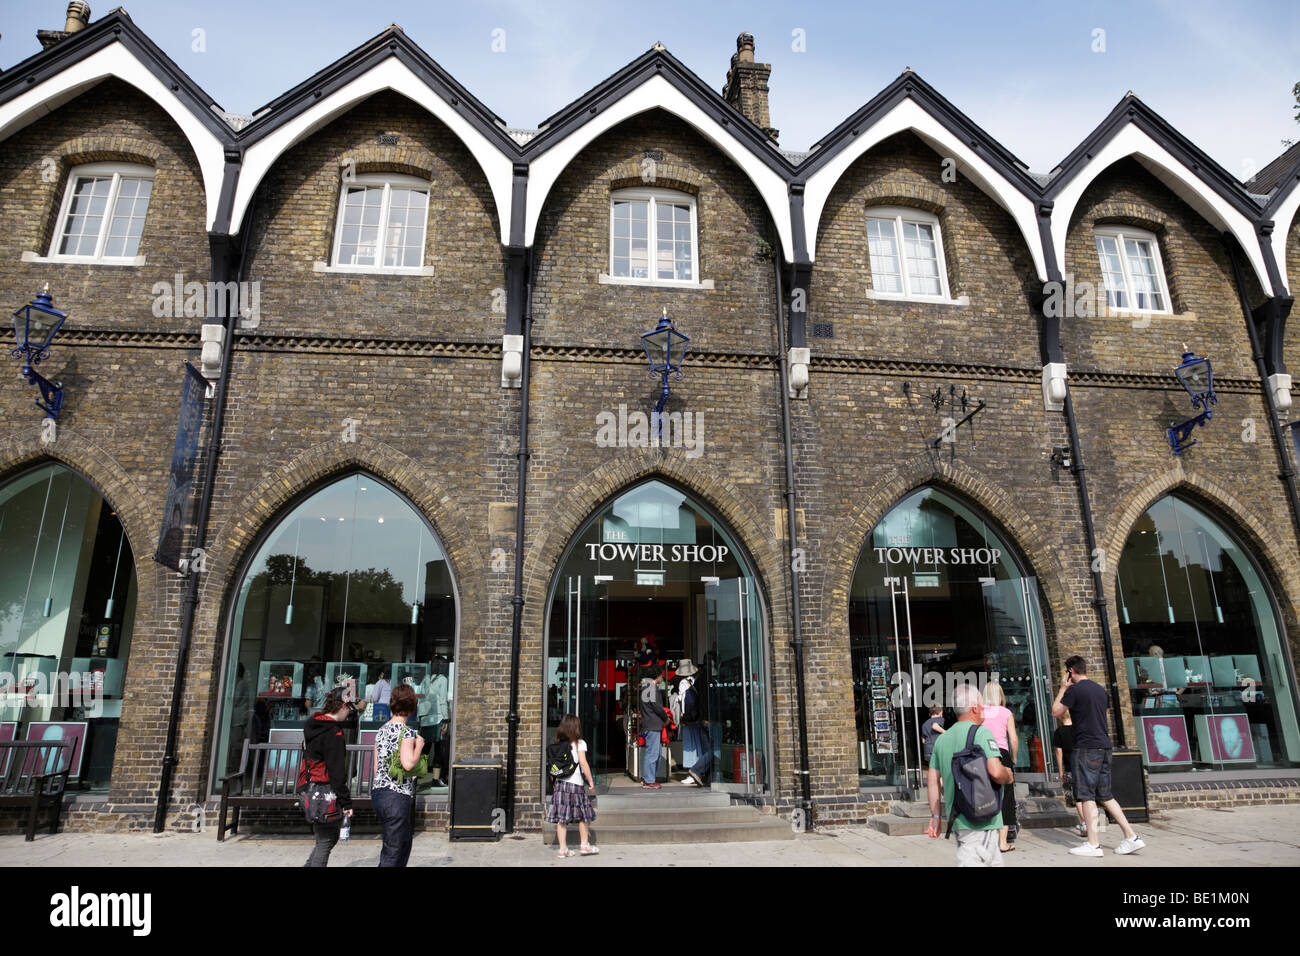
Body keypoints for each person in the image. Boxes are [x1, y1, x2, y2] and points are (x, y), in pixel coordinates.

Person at [1051, 655, 1146, 857]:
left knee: (1086, 795)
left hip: (1086, 747)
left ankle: (1093, 844)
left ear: (1070, 672)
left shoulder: (1074, 690)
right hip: (1104, 745)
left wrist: (1062, 688)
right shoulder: (1099, 690)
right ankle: (1131, 836)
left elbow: (1055, 711)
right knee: (1106, 795)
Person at [925, 683, 1014, 867]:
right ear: (974, 708)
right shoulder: (982, 733)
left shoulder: (942, 740)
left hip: (959, 817)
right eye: (982, 705)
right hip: (983, 819)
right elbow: (996, 772)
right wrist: (1008, 774)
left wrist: (935, 816)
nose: (984, 710)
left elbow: (933, 781)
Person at [371, 683, 424, 867]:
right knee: (393, 852)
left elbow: (377, 766)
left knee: (402, 843)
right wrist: (420, 746)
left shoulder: (381, 730)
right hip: (396, 795)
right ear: (411, 707)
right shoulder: (407, 732)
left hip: (379, 793)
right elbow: (408, 764)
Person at [302, 690, 355, 867]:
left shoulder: (314, 725)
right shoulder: (333, 733)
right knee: (325, 840)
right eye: (349, 708)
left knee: (324, 839)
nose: (349, 713)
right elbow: (336, 772)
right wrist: (346, 802)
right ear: (342, 706)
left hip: (310, 788)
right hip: (325, 791)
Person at [547, 713, 598, 857]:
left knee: (562, 819)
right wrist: (590, 781)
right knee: (583, 816)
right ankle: (584, 845)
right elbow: (583, 763)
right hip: (575, 784)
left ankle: (563, 849)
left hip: (561, 784)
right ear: (575, 728)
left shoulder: (557, 745)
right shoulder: (579, 744)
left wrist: (554, 782)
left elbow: (553, 767)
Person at [981, 681, 1019, 852]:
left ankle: (985, 839)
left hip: (982, 754)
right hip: (1001, 753)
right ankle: (1002, 842)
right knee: (1006, 796)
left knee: (984, 795)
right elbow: (1013, 738)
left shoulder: (979, 711)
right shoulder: (1006, 713)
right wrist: (1014, 757)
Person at [1053, 709, 1089, 836]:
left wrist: (1060, 770)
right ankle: (1091, 823)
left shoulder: (1059, 732)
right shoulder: (1079, 730)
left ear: (1060, 718)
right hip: (1084, 766)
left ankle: (1084, 823)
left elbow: (1059, 752)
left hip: (1070, 768)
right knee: (1088, 796)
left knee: (1077, 798)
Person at [639, 665, 668, 789]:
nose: (662, 677)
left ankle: (648, 779)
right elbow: (656, 706)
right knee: (653, 754)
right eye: (661, 675)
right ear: (657, 675)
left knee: (652, 753)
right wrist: (666, 717)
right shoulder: (651, 687)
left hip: (648, 723)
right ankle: (649, 780)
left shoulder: (645, 687)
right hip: (653, 724)